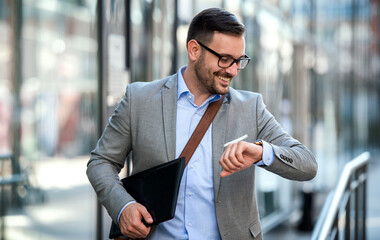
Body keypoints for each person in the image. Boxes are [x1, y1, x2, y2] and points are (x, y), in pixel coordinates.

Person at [87, 8, 317, 240]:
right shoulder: (139, 100)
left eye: (239, 61)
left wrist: (261, 152)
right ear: (194, 50)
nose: (233, 70)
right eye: (224, 59)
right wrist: (123, 207)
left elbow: (307, 164)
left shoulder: (251, 108)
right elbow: (101, 162)